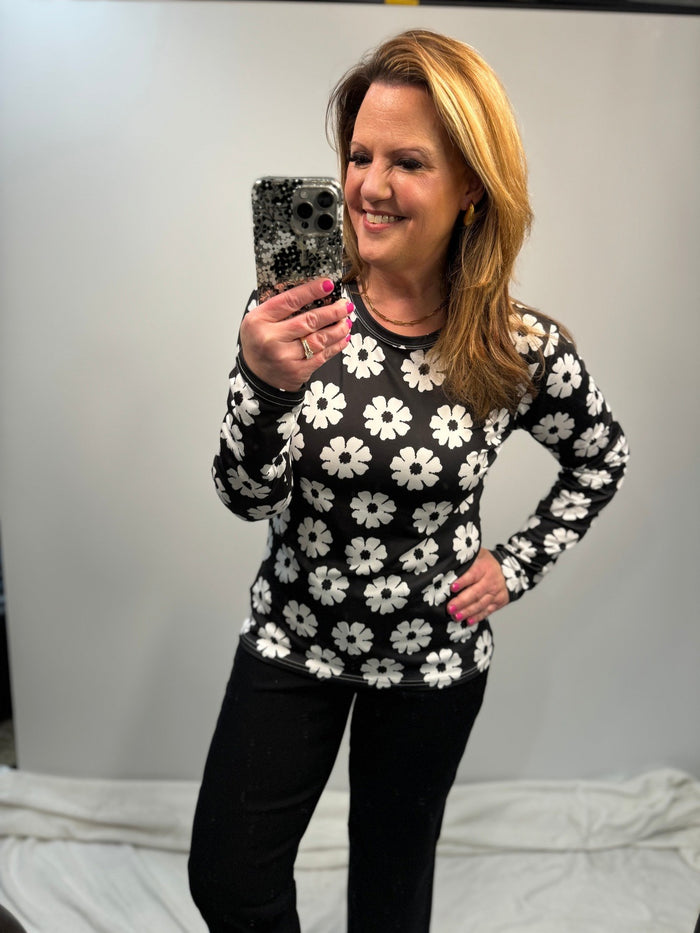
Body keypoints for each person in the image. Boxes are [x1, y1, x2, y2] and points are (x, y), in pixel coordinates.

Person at [189, 28, 628, 933]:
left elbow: (601, 455)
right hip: (293, 638)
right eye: (359, 156)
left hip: (431, 662)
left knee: (390, 903)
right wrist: (266, 387)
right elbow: (245, 495)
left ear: (471, 186)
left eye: (408, 162)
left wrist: (516, 564)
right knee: (229, 879)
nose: (369, 186)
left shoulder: (515, 345)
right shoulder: (297, 315)